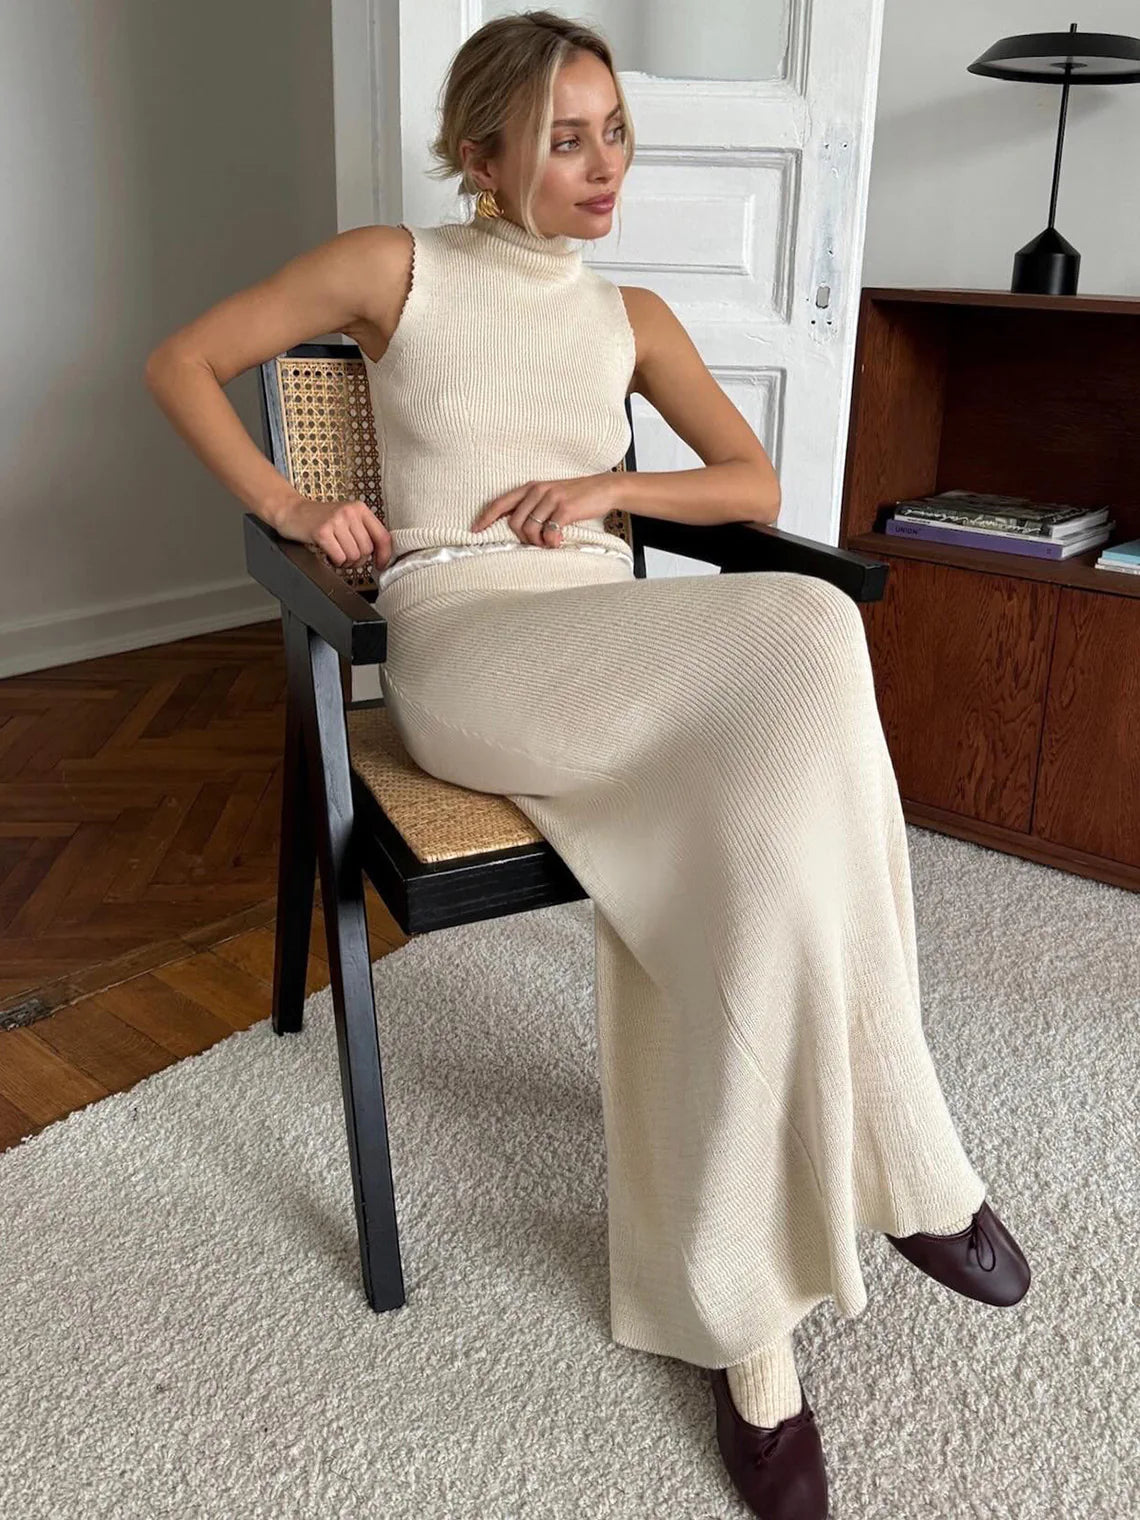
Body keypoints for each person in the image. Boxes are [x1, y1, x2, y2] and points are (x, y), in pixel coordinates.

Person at [144, 10, 1031, 1516]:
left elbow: (746, 477)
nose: (606, 163)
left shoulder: (629, 318)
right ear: (484, 155)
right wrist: (295, 508)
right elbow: (181, 360)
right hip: (473, 653)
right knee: (810, 630)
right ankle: (908, 1140)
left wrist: (610, 483)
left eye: (615, 129)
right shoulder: (392, 268)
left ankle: (752, 1344)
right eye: (568, 138)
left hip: (605, 652)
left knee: (761, 837)